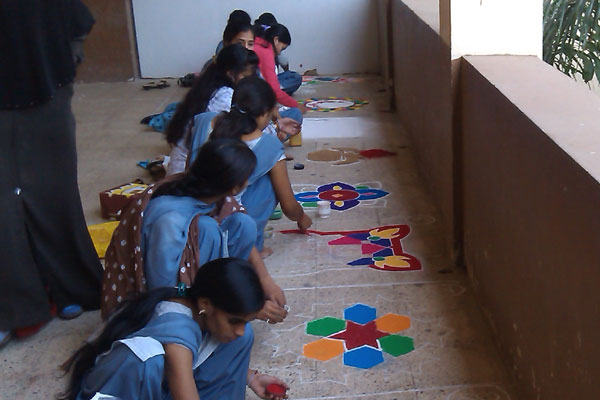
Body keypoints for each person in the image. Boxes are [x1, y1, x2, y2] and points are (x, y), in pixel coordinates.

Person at [0, 0, 103, 348]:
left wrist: (65, 61)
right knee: (5, 206)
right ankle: (17, 307)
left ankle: (67, 286)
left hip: (48, 91)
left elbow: (77, 20)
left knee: (54, 193)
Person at [101, 139, 287, 325]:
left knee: (243, 224)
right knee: (208, 229)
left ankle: (219, 304)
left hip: (190, 284)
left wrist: (265, 280)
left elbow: (241, 228)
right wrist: (242, 308)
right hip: (159, 301)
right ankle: (211, 313)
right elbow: (163, 291)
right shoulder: (170, 220)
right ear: (234, 186)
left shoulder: (210, 190)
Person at [63, 258, 289, 400]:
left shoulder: (196, 303)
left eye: (246, 320)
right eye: (234, 321)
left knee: (241, 338)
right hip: (121, 392)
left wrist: (248, 377)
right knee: (148, 360)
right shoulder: (178, 332)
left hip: (161, 383)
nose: (239, 329)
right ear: (206, 304)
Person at [189, 77, 312, 258]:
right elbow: (289, 206)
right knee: (271, 180)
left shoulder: (204, 121)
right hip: (227, 229)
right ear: (264, 113)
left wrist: (275, 125)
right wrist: (301, 217)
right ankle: (252, 246)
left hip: (191, 220)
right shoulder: (268, 145)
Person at [164, 45, 258, 174]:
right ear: (230, 73)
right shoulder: (225, 96)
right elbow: (234, 136)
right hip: (190, 172)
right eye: (244, 76)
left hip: (185, 165)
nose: (248, 81)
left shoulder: (207, 85)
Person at [253, 22, 304, 105]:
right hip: (256, 88)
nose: (280, 52)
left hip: (258, 82)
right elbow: (274, 90)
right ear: (276, 40)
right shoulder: (266, 52)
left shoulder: (260, 43)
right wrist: (297, 106)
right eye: (282, 48)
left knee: (294, 76)